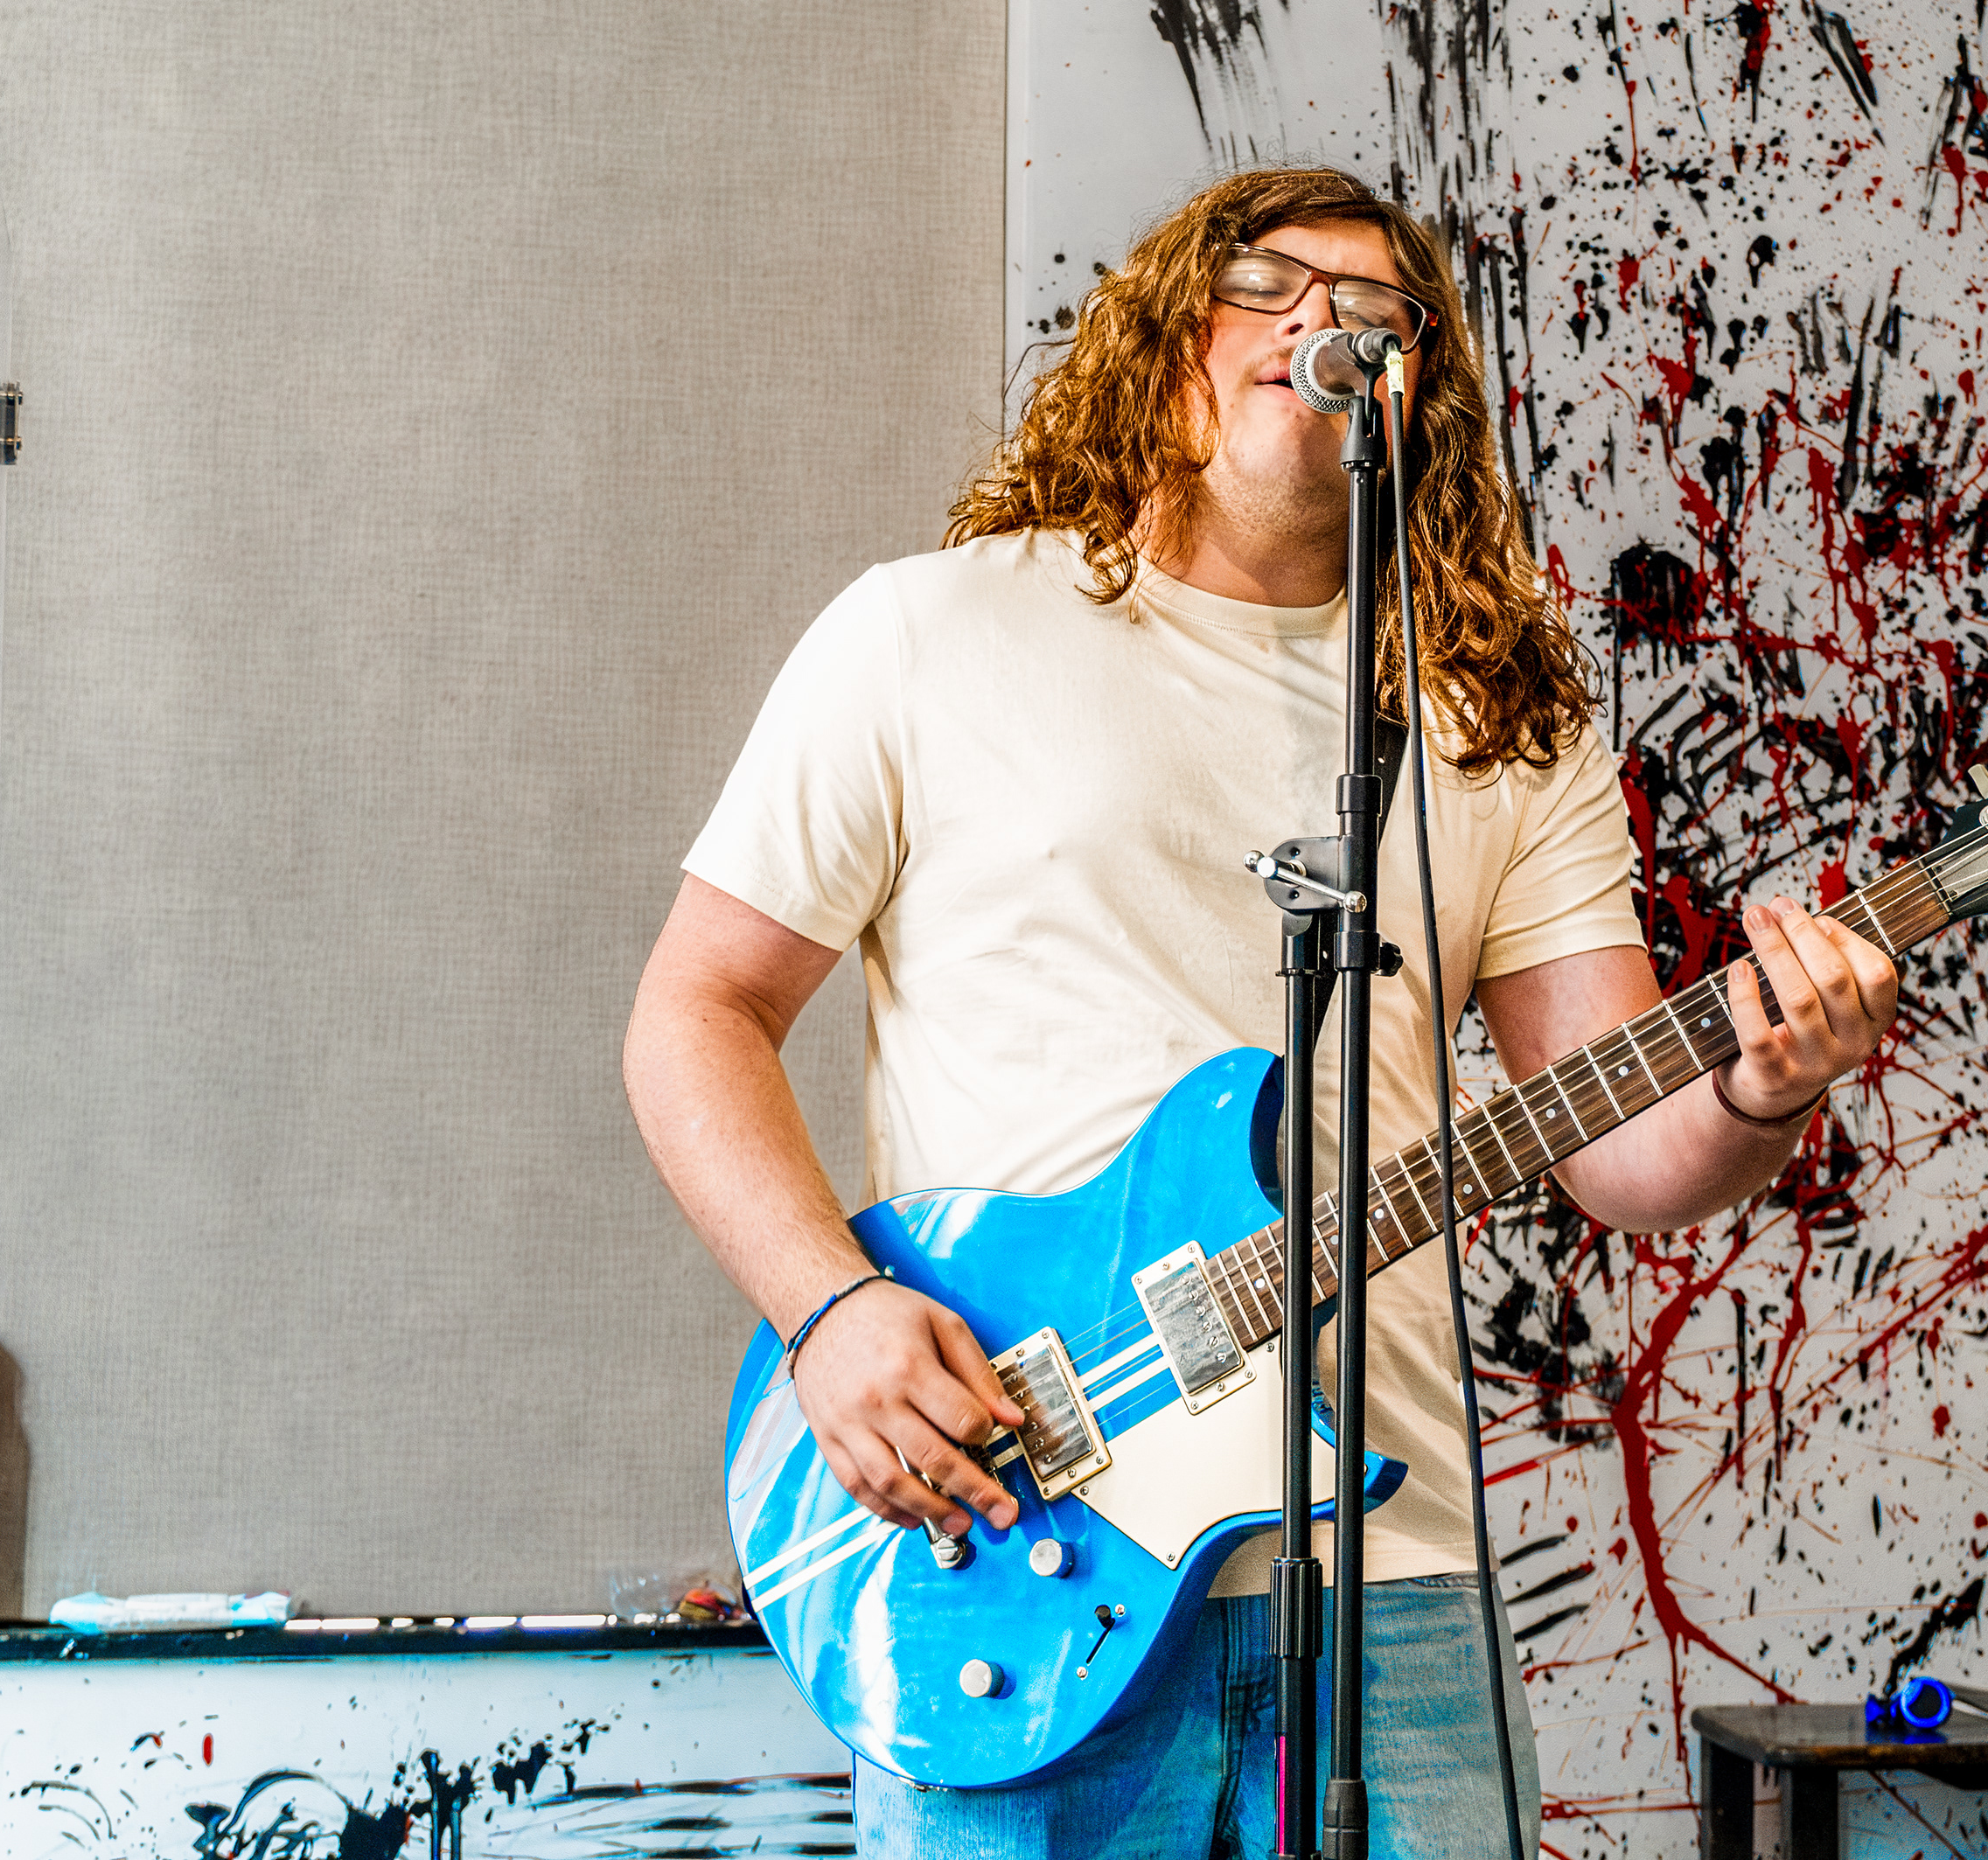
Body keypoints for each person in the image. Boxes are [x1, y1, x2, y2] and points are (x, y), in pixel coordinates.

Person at [622, 166, 1901, 1859]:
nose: (1322, 324)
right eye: (1268, 286)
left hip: (1389, 1557)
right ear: (1168, 347)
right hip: (1014, 1526)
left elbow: (1619, 1152)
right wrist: (832, 1310)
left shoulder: (1492, 715)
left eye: (1374, 309)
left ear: (1418, 393)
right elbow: (698, 1008)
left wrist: (1764, 1085)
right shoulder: (931, 631)